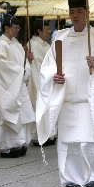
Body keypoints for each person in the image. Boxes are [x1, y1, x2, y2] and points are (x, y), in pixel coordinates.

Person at [36, 0, 94, 187]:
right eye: (72, 12)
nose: (75, 16)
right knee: (69, 143)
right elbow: (47, 67)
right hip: (67, 99)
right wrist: (53, 78)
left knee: (90, 141)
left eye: (79, 12)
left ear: (87, 12)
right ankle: (73, 180)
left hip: (89, 100)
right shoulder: (61, 37)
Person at [0, 14, 35, 159]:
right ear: (6, 28)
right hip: (8, 87)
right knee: (10, 115)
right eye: (15, 28)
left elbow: (23, 64)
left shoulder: (16, 44)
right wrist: (19, 71)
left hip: (19, 85)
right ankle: (7, 145)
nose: (17, 30)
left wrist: (27, 64)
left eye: (18, 28)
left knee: (21, 115)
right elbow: (2, 66)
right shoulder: (1, 45)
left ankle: (19, 142)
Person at [27, 19, 53, 147]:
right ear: (39, 30)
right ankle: (39, 136)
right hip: (40, 79)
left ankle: (48, 133)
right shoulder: (33, 45)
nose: (49, 32)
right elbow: (36, 65)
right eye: (47, 29)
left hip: (49, 79)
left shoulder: (47, 45)